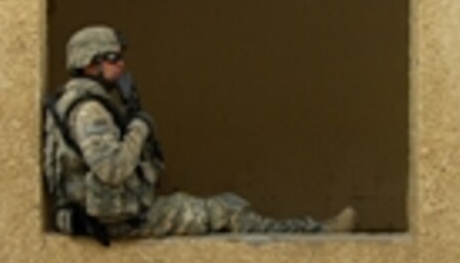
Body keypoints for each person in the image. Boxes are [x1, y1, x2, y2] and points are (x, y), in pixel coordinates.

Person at [44, 24, 356, 243]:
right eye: (113, 58)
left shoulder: (76, 100)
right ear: (90, 64)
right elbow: (112, 169)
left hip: (104, 216)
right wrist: (139, 125)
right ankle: (315, 233)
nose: (122, 65)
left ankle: (311, 230)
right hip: (112, 222)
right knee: (227, 210)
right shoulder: (90, 109)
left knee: (220, 205)